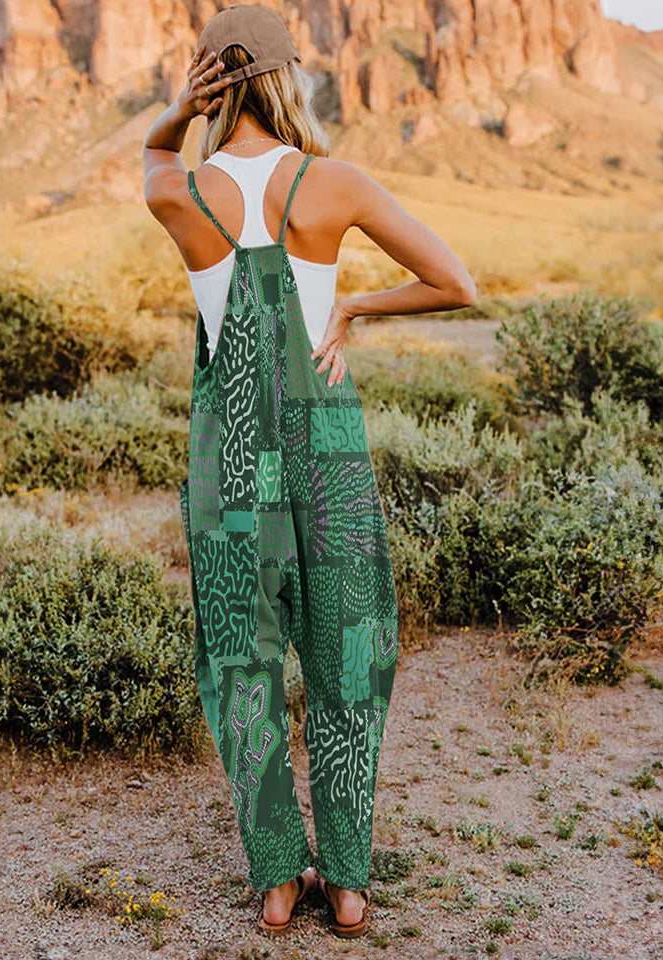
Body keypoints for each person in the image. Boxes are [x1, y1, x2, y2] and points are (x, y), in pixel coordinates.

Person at [142, 2, 476, 941]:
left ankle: (279, 882)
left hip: (230, 460)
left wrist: (178, 110)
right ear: (289, 78)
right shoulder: (333, 183)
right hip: (326, 454)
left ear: (213, 84)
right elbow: (458, 282)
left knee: (240, 664)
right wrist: (356, 305)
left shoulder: (181, 191)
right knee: (346, 652)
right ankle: (353, 881)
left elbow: (152, 160)